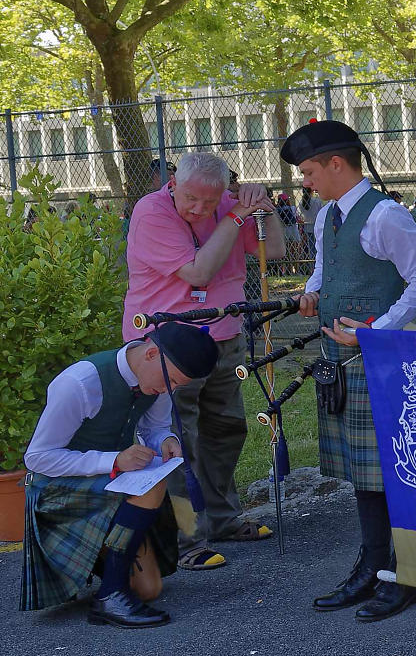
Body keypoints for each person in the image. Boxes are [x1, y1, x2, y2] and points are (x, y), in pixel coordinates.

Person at [284, 119, 416, 622]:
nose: (305, 181)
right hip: (340, 362)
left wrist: (378, 331)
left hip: (383, 362)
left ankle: (407, 572)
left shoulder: (386, 216)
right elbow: (325, 270)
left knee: (397, 472)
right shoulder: (325, 215)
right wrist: (312, 292)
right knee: (365, 474)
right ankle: (373, 566)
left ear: (336, 163)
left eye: (309, 171)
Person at [122, 152, 285, 559]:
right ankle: (186, 538)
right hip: (169, 344)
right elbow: (198, 272)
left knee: (226, 430)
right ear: (174, 181)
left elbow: (277, 250)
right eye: (191, 198)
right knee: (177, 438)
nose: (199, 209)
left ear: (225, 191)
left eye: (210, 202)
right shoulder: (152, 211)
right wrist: (232, 217)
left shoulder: (231, 204)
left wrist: (264, 208)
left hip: (224, 335)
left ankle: (223, 520)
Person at [19, 324, 217, 628]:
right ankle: (110, 595)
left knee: (149, 590)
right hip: (55, 490)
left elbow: (154, 429)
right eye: (172, 381)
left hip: (109, 481)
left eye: (178, 385)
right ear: (152, 353)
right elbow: (38, 458)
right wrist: (114, 460)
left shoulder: (159, 378)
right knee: (153, 488)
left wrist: (166, 441)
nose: (170, 390)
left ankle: (105, 563)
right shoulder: (80, 383)